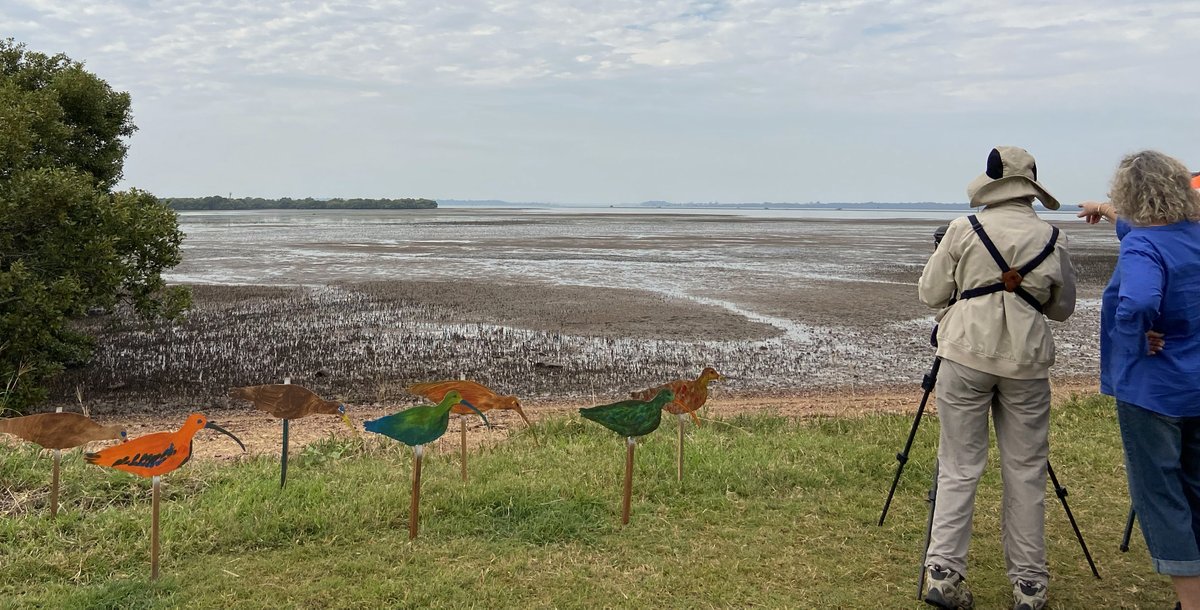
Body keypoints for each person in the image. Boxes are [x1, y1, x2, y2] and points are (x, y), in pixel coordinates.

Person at [917, 146, 1077, 610]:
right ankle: (1029, 586)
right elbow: (1062, 309)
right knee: (1026, 471)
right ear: (1029, 188)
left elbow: (931, 293)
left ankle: (944, 573)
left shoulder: (963, 229)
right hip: (1026, 362)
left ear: (990, 186)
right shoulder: (1051, 237)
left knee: (959, 464)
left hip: (965, 354)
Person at [1084, 151, 1200, 610]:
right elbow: (1137, 229)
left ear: (1130, 194)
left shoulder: (1143, 247)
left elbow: (1136, 301)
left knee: (1160, 496)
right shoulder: (1187, 236)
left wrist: (1133, 342)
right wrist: (1106, 211)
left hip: (1154, 391)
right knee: (1195, 487)